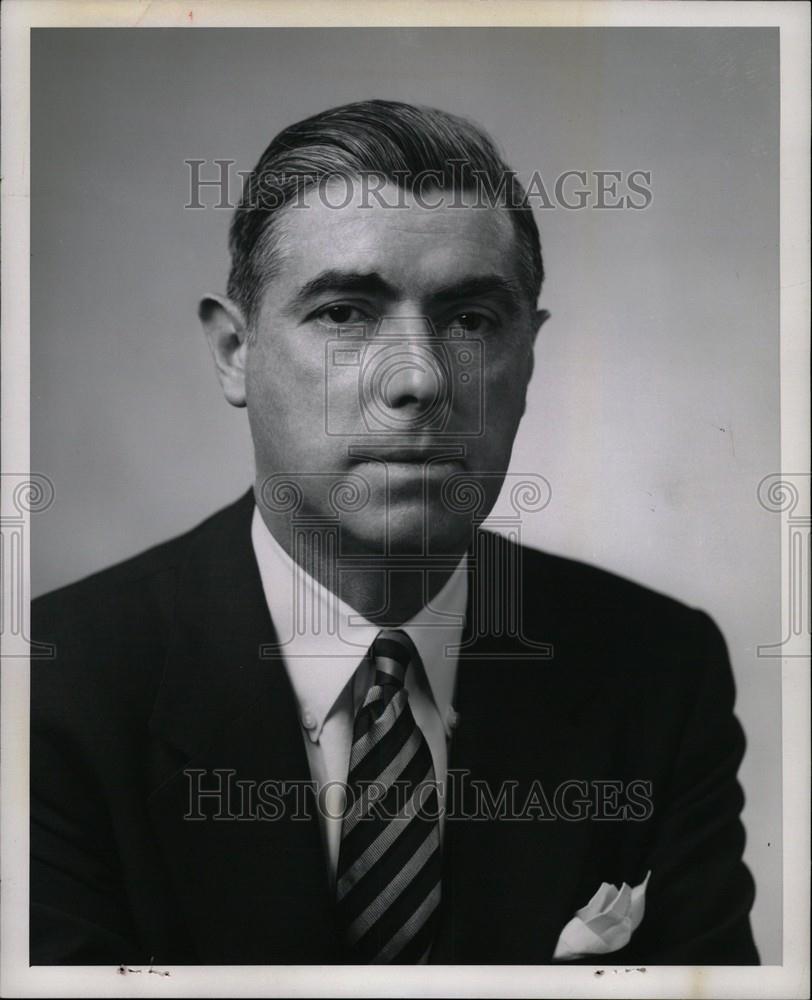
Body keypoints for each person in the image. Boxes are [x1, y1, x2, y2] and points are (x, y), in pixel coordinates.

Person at [30, 100, 758, 965]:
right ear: (235, 351)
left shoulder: (658, 668)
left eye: (472, 321)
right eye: (344, 313)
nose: (416, 379)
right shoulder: (49, 687)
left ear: (528, 357)